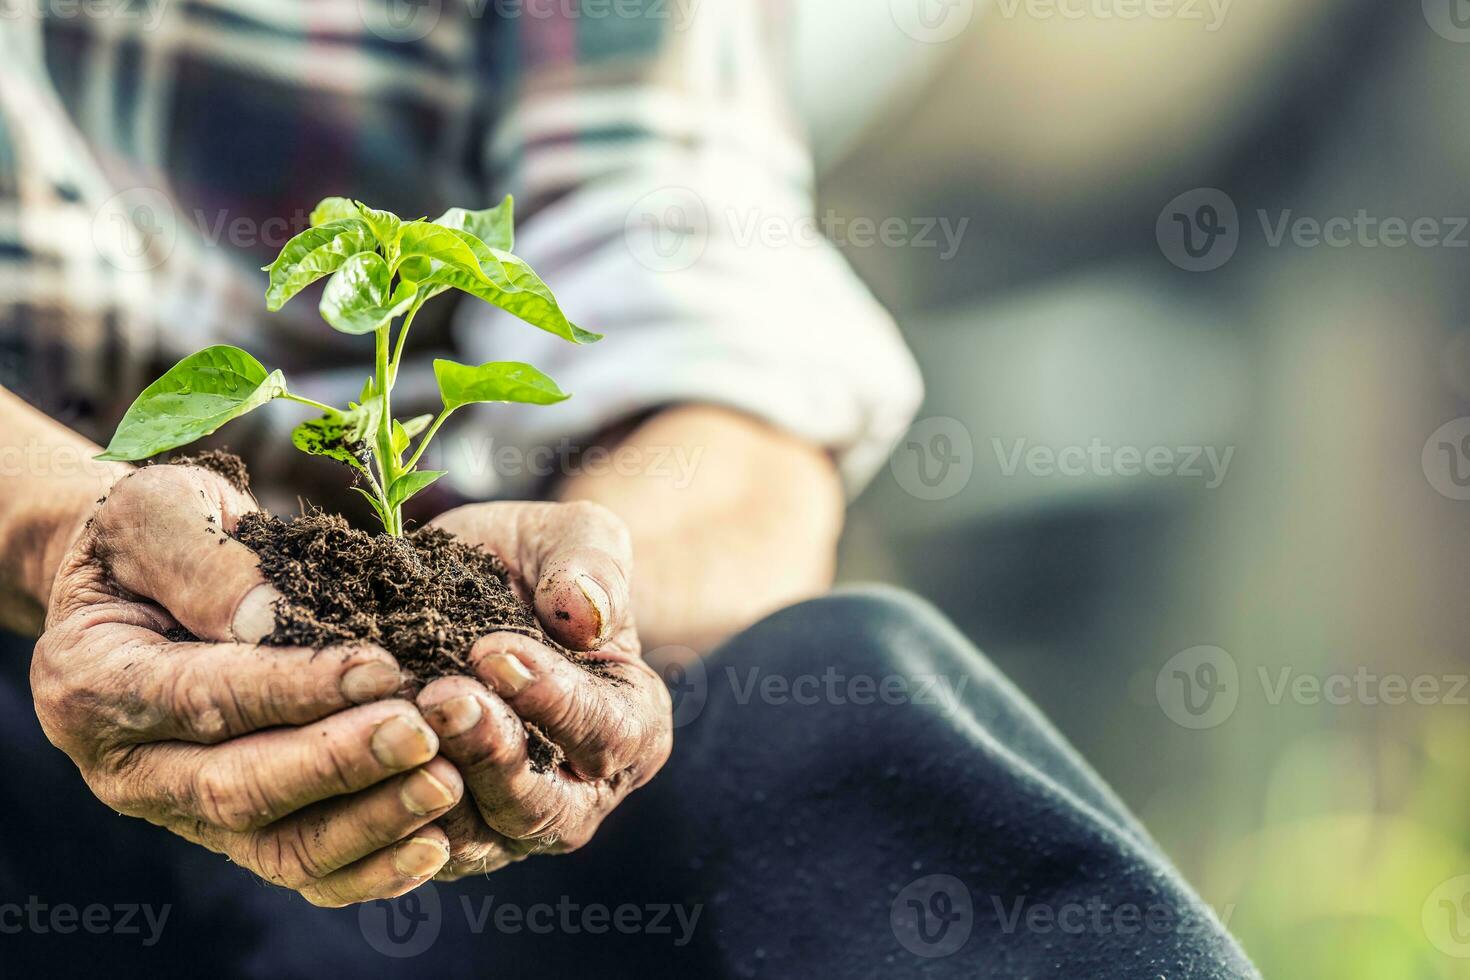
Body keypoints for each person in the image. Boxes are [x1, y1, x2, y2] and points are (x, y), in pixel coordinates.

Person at [0, 3, 1259, 976]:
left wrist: (574, 605)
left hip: (466, 767)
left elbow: (725, 342)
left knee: (854, 705)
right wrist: (67, 530)